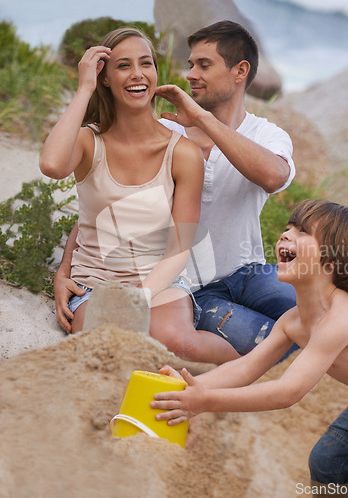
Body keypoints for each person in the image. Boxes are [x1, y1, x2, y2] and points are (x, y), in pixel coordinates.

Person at [152, 199, 348, 498]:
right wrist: (187, 387)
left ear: (333, 261)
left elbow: (288, 392)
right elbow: (245, 368)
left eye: (303, 232)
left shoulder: (341, 319)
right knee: (327, 466)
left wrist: (206, 401)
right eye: (288, 228)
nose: (286, 235)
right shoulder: (292, 321)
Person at [54, 20, 298, 360]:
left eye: (204, 65)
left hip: (248, 272)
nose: (191, 74)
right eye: (190, 64)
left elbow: (273, 176)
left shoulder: (265, 134)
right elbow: (105, 208)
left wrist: (201, 119)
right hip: (195, 286)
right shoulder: (163, 129)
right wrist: (64, 271)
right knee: (276, 343)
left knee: (321, 310)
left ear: (239, 71)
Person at [39, 28, 239, 364]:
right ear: (105, 78)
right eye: (123, 66)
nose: (137, 74)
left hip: (161, 281)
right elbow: (51, 164)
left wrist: (141, 296)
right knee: (103, 346)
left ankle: (255, 373)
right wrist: (84, 87)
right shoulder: (89, 142)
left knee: (179, 344)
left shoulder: (183, 152)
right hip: (94, 285)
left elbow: (180, 246)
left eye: (146, 63)